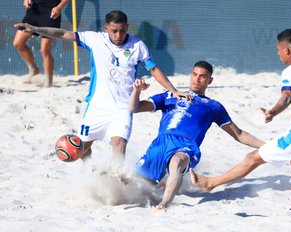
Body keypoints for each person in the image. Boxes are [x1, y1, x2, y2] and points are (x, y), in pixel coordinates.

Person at [190, 29, 291, 220]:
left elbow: (286, 97)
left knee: (252, 158)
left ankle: (211, 183)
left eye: (278, 49)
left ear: (287, 50)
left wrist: (272, 112)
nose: (277, 53)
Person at [14, 10, 190, 169]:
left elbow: (154, 69)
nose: (118, 34)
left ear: (127, 27)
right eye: (114, 30)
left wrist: (173, 90)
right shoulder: (94, 39)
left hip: (122, 107)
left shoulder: (137, 46)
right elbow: (61, 33)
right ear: (106, 28)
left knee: (119, 143)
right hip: (97, 106)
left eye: (122, 30)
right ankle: (91, 168)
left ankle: (116, 180)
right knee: (82, 149)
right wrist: (35, 28)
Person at [128, 60, 265, 209]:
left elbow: (238, 134)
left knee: (177, 162)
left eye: (202, 76)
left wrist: (268, 146)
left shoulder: (213, 106)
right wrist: (137, 91)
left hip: (187, 146)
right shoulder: (169, 95)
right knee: (135, 182)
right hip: (161, 143)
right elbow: (134, 108)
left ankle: (164, 204)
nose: (197, 79)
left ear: (210, 80)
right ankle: (155, 190)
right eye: (194, 74)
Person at [13, 0, 69, 87]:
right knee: (18, 43)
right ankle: (34, 69)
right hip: (34, 11)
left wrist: (59, 7)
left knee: (45, 49)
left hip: (51, 12)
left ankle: (49, 82)